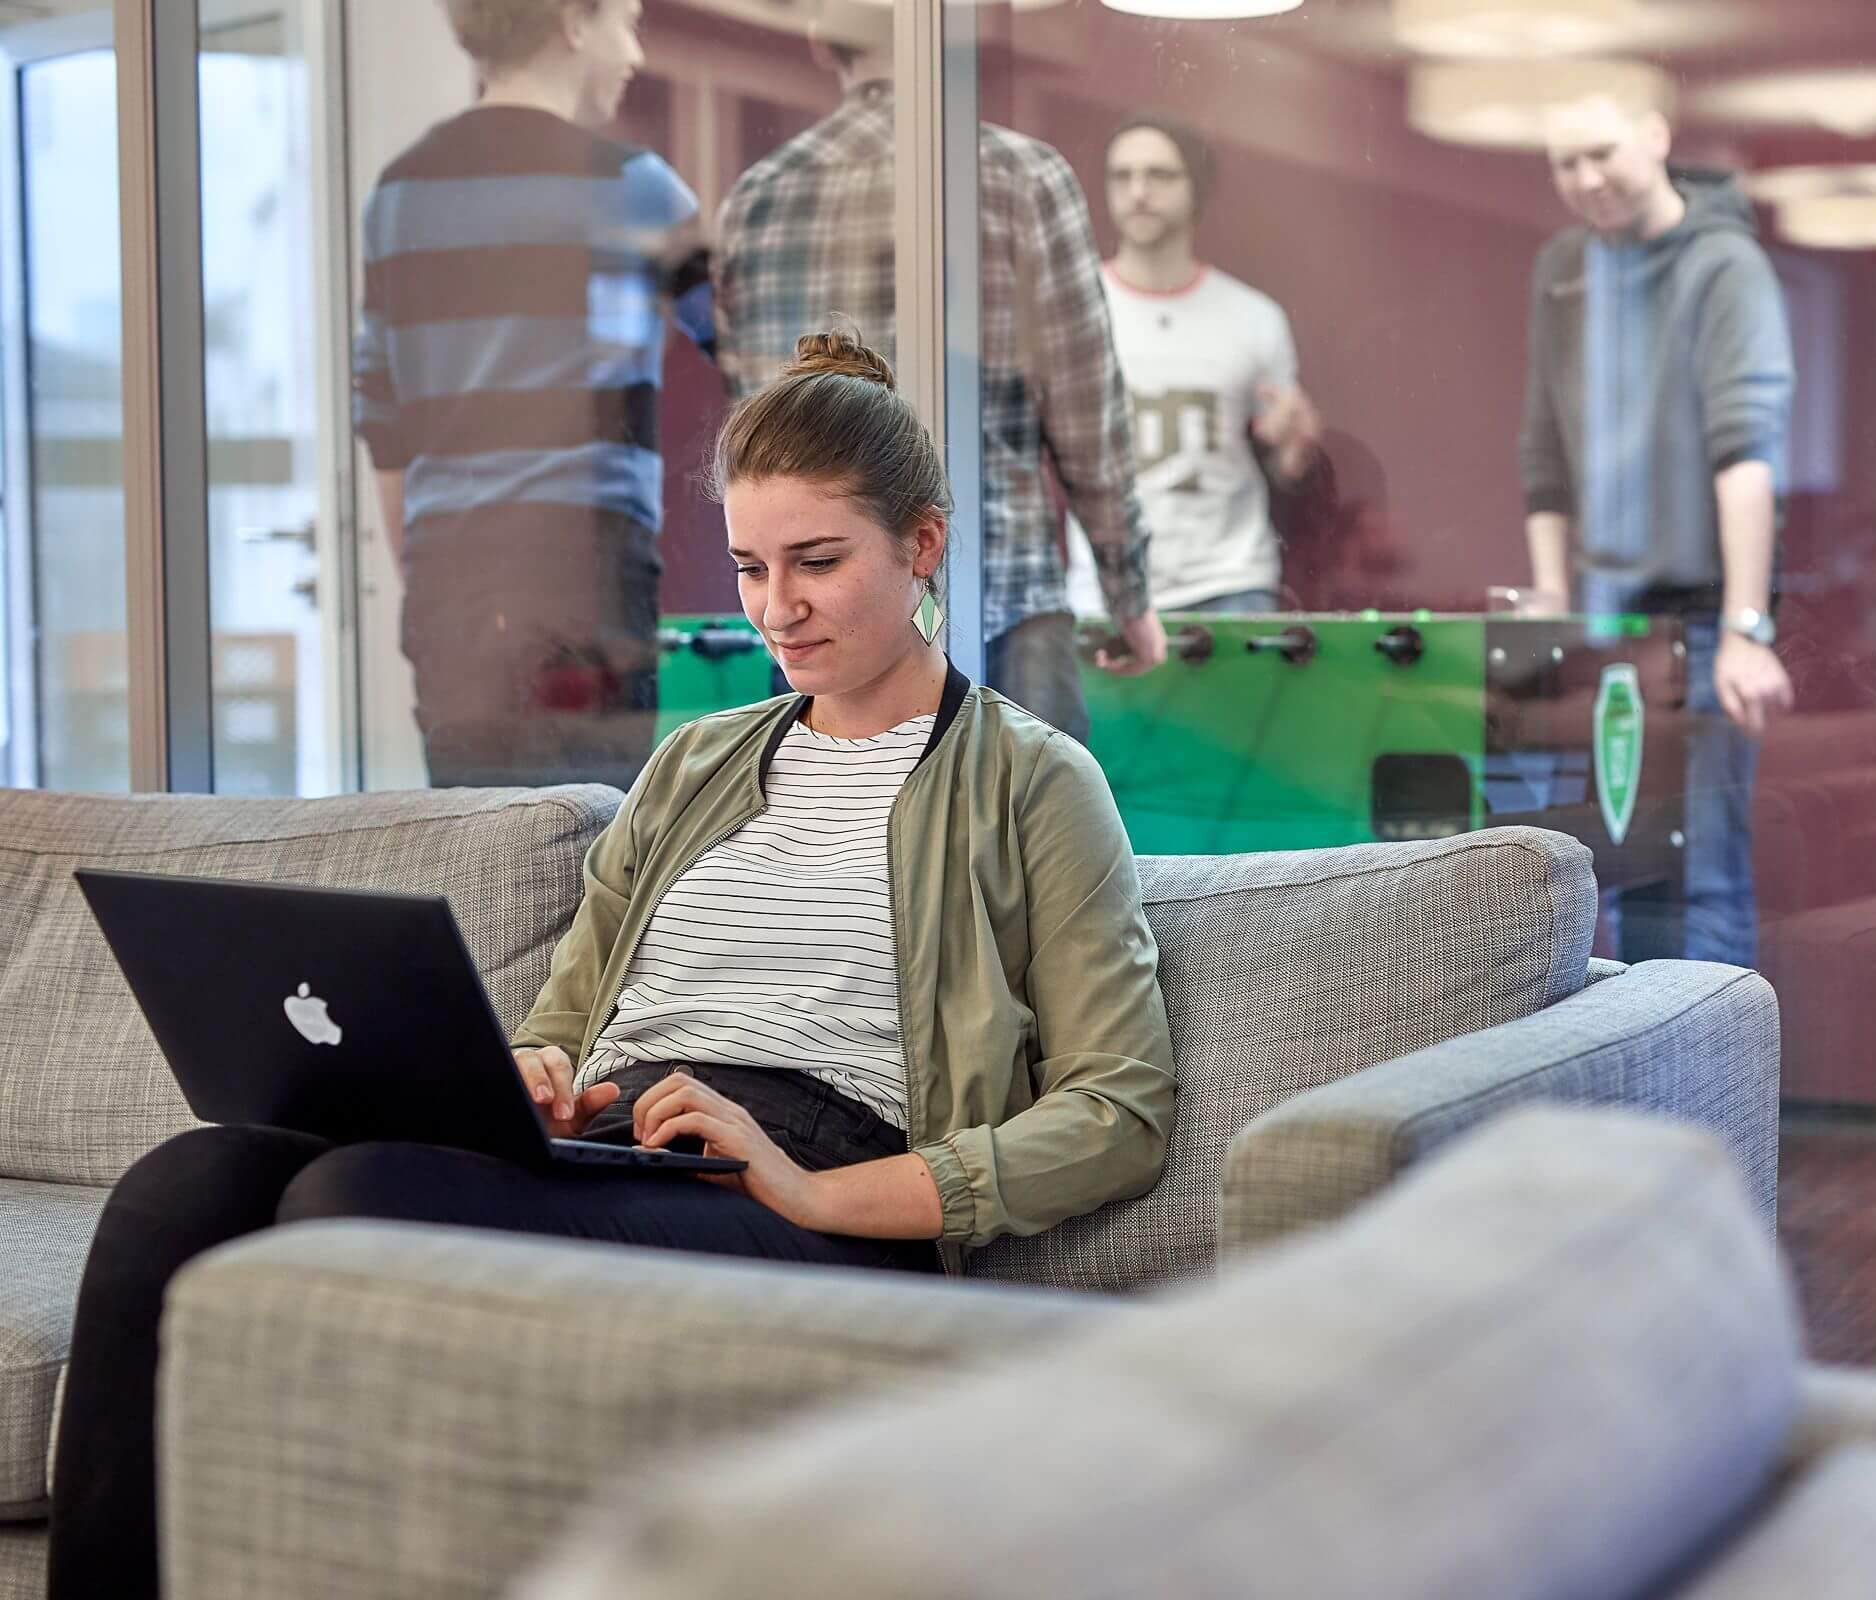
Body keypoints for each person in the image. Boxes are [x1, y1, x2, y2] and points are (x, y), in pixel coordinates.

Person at [46, 332, 1178, 1600]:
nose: (776, 607)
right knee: (187, 1181)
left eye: (817, 562)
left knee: (355, 1204)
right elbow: (568, 1016)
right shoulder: (693, 766)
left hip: (810, 1181)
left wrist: (809, 1187)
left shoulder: (1030, 780)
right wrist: (534, 1069)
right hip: (626, 1141)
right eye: (751, 566)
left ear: (922, 545)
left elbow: (1117, 1111)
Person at [715, 25, 1167, 743]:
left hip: (814, 624)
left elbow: (759, 438)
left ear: (818, 40)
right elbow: (1086, 412)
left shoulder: (756, 200)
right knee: (1039, 845)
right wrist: (1129, 594)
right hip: (1008, 596)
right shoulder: (1021, 176)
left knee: (840, 845)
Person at [352, 0, 716, 790]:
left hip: (451, 576)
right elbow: (741, 342)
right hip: (586, 568)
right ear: (572, 23)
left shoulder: (398, 195)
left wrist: (433, 583)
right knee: (590, 845)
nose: (635, 51)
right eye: (626, 20)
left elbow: (384, 425)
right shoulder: (636, 188)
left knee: (476, 853)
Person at [1518, 76, 1797, 966]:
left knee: (1701, 881)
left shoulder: (1724, 265)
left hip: (1702, 625)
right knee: (1608, 875)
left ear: (1655, 137)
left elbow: (1745, 455)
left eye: (1602, 153)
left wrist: (1749, 628)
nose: (1587, 177)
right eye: (1565, 162)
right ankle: (1631, 1099)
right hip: (1601, 632)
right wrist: (1552, 595)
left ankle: (1714, 1103)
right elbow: (1544, 451)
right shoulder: (1562, 268)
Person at [1065, 115, 1322, 617]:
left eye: (1159, 175)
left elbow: (1283, 470)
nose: (1138, 192)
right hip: (1105, 591)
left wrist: (1295, 449)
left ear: (1196, 188)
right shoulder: (1071, 312)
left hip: (1230, 581)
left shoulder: (1254, 317)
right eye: (1123, 176)